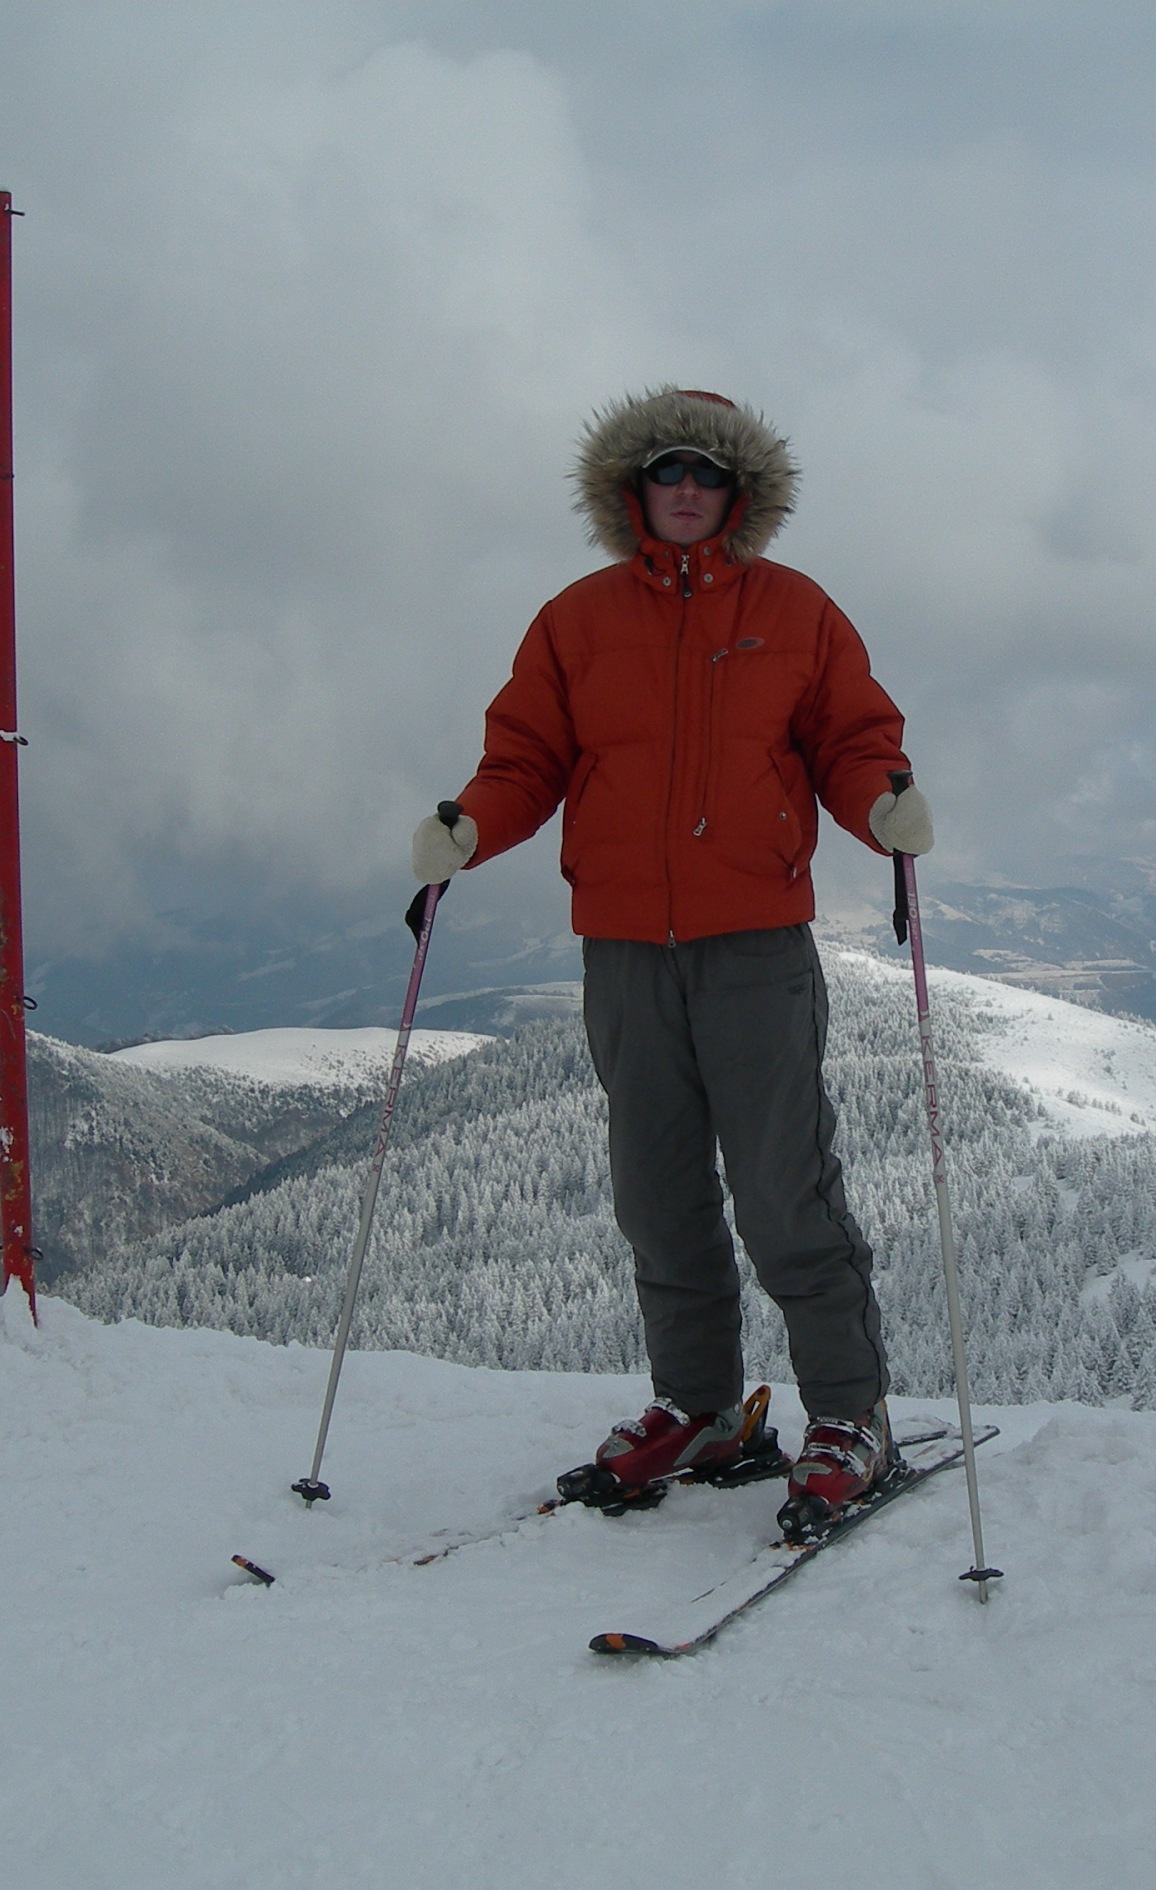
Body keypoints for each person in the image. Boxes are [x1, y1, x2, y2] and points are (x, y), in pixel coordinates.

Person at [412, 386, 935, 1539]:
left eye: (706, 472)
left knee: (782, 1190)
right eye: (667, 471)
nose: (686, 488)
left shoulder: (795, 611)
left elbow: (852, 739)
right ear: (633, 490)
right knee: (658, 1194)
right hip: (624, 952)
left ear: (738, 492)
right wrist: (469, 829)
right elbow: (525, 757)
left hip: (753, 945)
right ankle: (700, 1408)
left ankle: (849, 1414)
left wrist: (880, 807)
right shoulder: (577, 620)